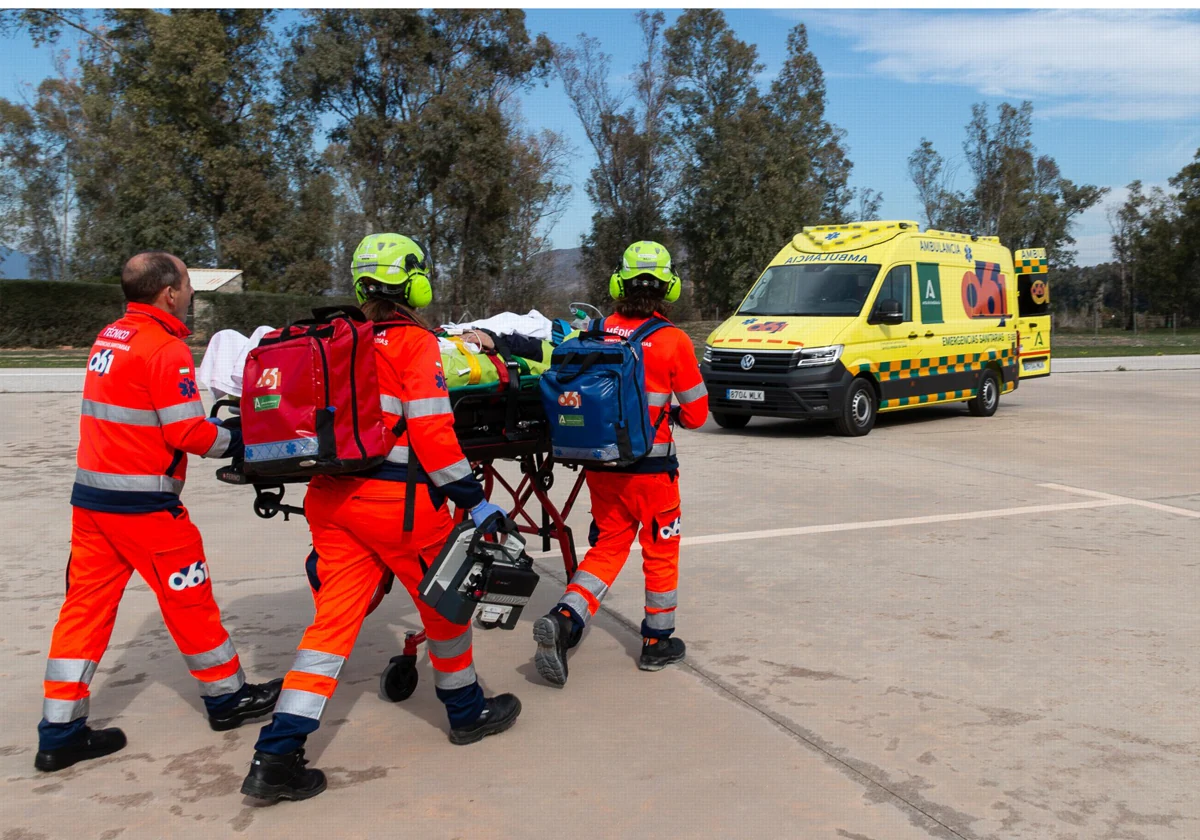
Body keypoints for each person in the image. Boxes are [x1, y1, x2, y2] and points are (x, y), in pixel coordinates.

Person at [241, 234, 521, 803]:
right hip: (400, 509)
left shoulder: (339, 339)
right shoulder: (415, 344)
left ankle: (276, 756)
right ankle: (466, 713)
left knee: (329, 631)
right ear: (414, 284)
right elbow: (433, 435)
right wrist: (473, 498)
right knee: (447, 606)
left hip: (331, 501)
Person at [35, 252, 282, 773]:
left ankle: (59, 733)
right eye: (189, 284)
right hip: (144, 507)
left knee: (84, 611)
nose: (192, 293)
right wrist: (244, 441)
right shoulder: (164, 350)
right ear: (169, 292)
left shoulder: (110, 337)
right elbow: (187, 433)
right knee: (190, 601)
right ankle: (227, 699)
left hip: (92, 504)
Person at [533, 241, 709, 685]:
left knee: (609, 545)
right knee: (660, 551)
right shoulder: (672, 340)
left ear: (618, 284)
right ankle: (657, 642)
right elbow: (696, 414)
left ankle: (566, 617)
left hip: (601, 466)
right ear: (668, 286)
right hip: (652, 472)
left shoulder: (592, 332)